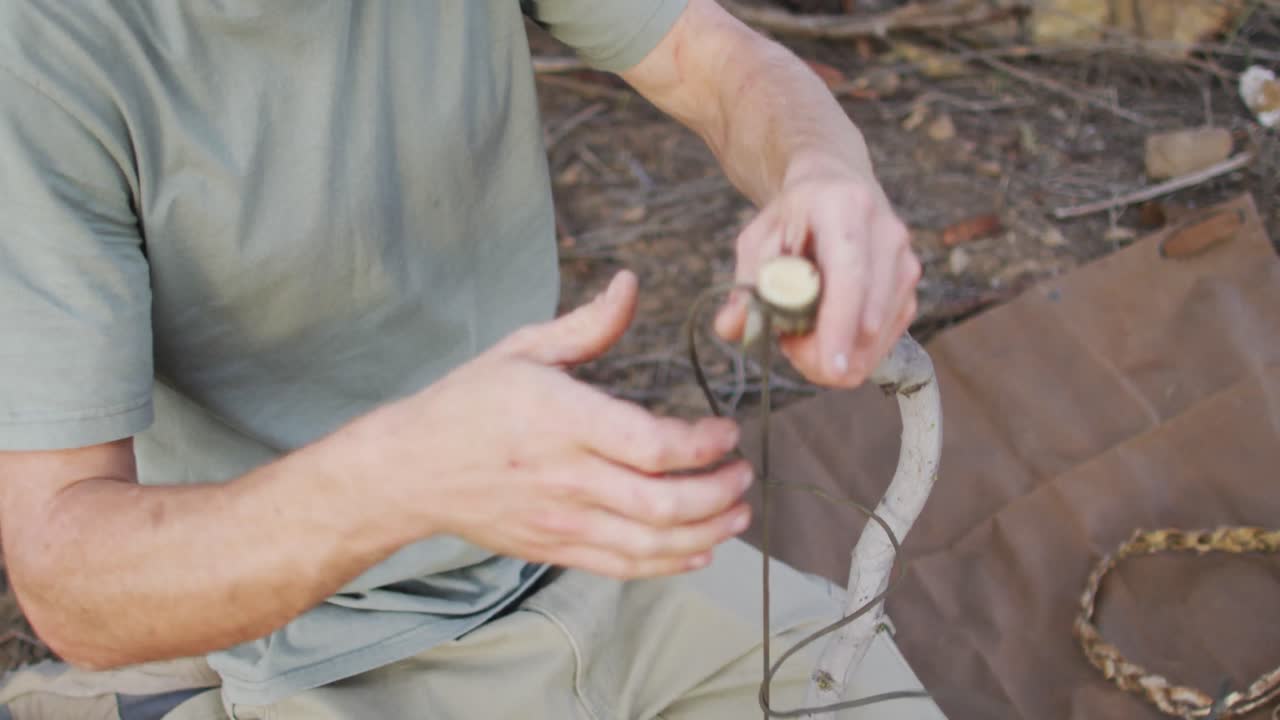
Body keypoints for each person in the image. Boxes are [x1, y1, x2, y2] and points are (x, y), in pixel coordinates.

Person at [0, 0, 942, 718]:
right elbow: (67, 578)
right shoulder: (42, 49)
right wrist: (400, 481)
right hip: (311, 639)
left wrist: (823, 175)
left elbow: (712, 57)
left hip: (578, 549)